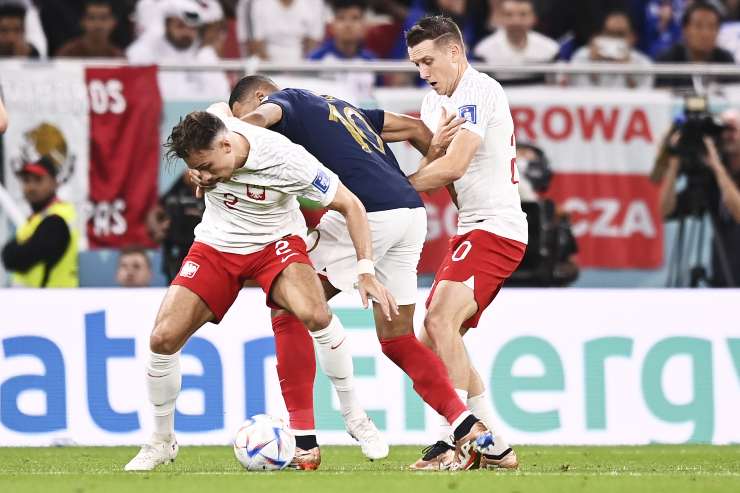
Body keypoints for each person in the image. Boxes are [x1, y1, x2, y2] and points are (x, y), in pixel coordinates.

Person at [220, 75, 495, 471]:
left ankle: (305, 442)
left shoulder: (285, 102)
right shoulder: (338, 108)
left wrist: (220, 139)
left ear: (262, 98)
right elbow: (416, 127)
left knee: (285, 307)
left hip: (370, 215)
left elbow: (255, 123)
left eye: (244, 114)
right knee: (397, 338)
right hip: (409, 212)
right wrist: (431, 164)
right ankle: (465, 424)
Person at [124, 104, 396, 471]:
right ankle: (161, 441)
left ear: (225, 145)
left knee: (316, 314)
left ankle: (354, 415)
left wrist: (365, 269)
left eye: (206, 165)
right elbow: (215, 117)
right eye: (197, 167)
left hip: (276, 245)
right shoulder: (213, 126)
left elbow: (351, 205)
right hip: (216, 246)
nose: (203, 174)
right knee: (162, 338)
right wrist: (195, 171)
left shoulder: (287, 160)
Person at [405, 15, 527, 470]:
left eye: (429, 60)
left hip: (497, 226)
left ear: (455, 52)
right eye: (416, 63)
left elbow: (453, 166)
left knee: (439, 321)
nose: (423, 71)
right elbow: (441, 172)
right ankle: (491, 443)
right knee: (433, 335)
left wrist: (398, 186)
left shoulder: (478, 89)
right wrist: (426, 161)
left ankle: (454, 441)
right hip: (473, 226)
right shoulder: (430, 103)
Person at [653, 109, 740, 286]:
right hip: (723, 282)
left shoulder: (716, 173)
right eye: (722, 130)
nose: (726, 136)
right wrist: (674, 164)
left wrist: (716, 166)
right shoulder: (709, 179)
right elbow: (665, 211)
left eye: (732, 129)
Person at [126, 0, 230, 100]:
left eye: (192, 28)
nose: (187, 32)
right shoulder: (144, 52)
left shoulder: (205, 56)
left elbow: (221, 96)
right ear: (166, 25)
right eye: (180, 26)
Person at [1, 156, 79, 287]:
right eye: (26, 181)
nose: (31, 187)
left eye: (38, 180)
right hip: (36, 300)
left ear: (55, 183)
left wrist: (13, 249)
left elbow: (16, 259)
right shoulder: (38, 218)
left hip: (52, 301)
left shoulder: (57, 218)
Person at [472, 0, 559, 85]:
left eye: (523, 15)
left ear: (534, 18)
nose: (516, 21)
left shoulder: (550, 49)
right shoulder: (484, 51)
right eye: (509, 15)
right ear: (501, 18)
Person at [655, 1, 735, 88]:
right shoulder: (667, 61)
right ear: (685, 30)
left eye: (712, 26)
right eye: (698, 26)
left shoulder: (726, 60)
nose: (706, 34)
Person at [308, 0, 376, 100]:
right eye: (341, 18)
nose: (348, 25)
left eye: (355, 18)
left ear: (364, 25)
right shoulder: (316, 59)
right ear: (332, 25)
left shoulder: (372, 62)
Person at [568, 10, 654, 89]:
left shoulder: (643, 63)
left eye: (620, 35)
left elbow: (643, 97)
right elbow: (578, 93)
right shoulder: (582, 56)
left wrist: (629, 71)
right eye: (610, 34)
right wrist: (593, 66)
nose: (615, 39)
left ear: (632, 38)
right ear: (600, 34)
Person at [147, 171, 205, 283]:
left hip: (202, 247)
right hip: (175, 249)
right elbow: (157, 210)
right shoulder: (180, 187)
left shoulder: (215, 192)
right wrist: (158, 230)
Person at [245, 0, 324, 61]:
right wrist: (271, 72)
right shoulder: (259, 3)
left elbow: (313, 44)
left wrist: (303, 69)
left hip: (302, 63)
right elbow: (257, 45)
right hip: (267, 65)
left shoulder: (314, 3)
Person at [55, 0, 123, 58]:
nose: (97, 24)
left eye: (104, 18)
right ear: (82, 21)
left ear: (113, 22)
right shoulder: (68, 53)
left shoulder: (118, 56)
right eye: (91, 18)